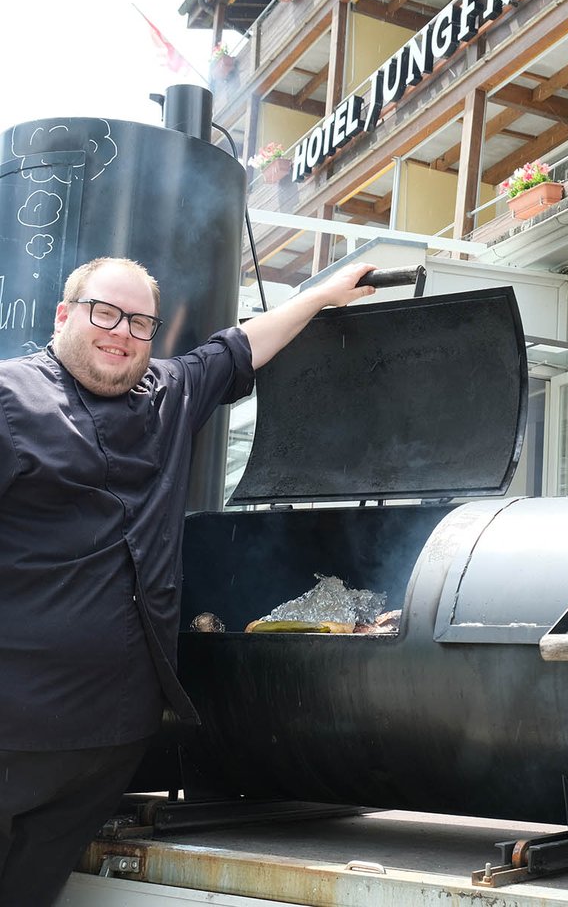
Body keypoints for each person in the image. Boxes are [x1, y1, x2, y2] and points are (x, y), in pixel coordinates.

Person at [0, 255, 377, 906]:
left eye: (140, 323)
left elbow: (239, 347)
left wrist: (323, 294)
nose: (122, 332)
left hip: (111, 740)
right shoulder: (9, 396)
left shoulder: (166, 394)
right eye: (105, 313)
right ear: (64, 315)